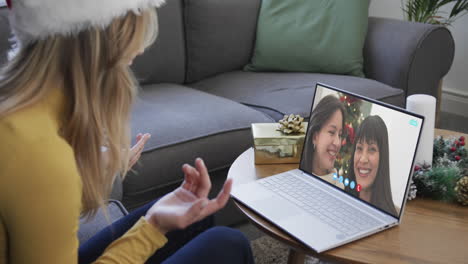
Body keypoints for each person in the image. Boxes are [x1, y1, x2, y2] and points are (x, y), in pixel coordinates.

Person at [0, 1, 254, 263]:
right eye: (135, 29)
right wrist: (153, 229)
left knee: (191, 219)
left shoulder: (19, 110)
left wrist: (89, 176)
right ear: (104, 36)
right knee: (227, 244)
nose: (141, 48)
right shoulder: (37, 152)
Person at [345, 115, 398, 216]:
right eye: (359, 148)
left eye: (372, 149)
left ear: (382, 158)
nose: (363, 159)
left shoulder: (389, 216)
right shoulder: (342, 199)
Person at [301, 94, 346, 189]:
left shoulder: (339, 187)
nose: (338, 143)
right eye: (332, 132)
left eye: (340, 135)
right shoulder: (297, 172)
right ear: (315, 137)